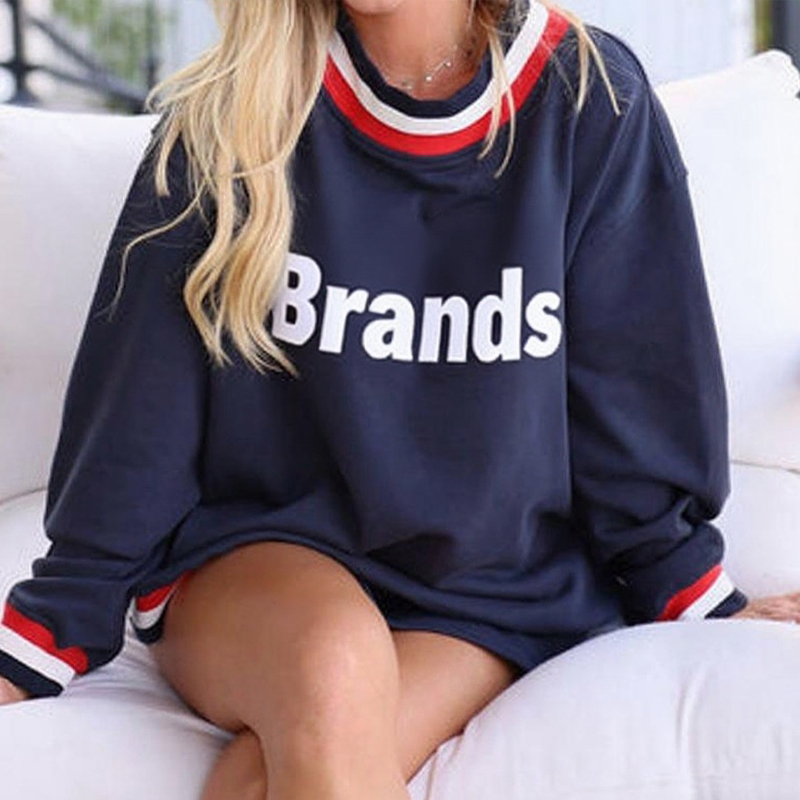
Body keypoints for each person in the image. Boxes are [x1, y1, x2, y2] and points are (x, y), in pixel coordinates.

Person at [1, 1, 800, 798]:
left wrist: (689, 588)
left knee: (259, 782)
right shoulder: (229, 110)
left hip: (487, 591)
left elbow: (630, 389)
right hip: (259, 557)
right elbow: (141, 408)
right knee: (332, 660)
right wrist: (48, 631)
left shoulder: (589, 97)